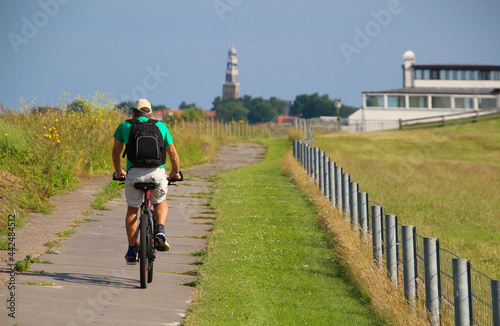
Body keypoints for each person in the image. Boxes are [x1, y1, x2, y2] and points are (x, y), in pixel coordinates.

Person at [112, 98, 180, 265]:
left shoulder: (125, 126)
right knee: (161, 201)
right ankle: (160, 231)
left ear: (133, 113)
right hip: (156, 174)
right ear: (150, 114)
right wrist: (175, 173)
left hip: (134, 174)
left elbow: (115, 152)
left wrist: (119, 171)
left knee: (133, 209)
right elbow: (173, 155)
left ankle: (130, 249)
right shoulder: (161, 127)